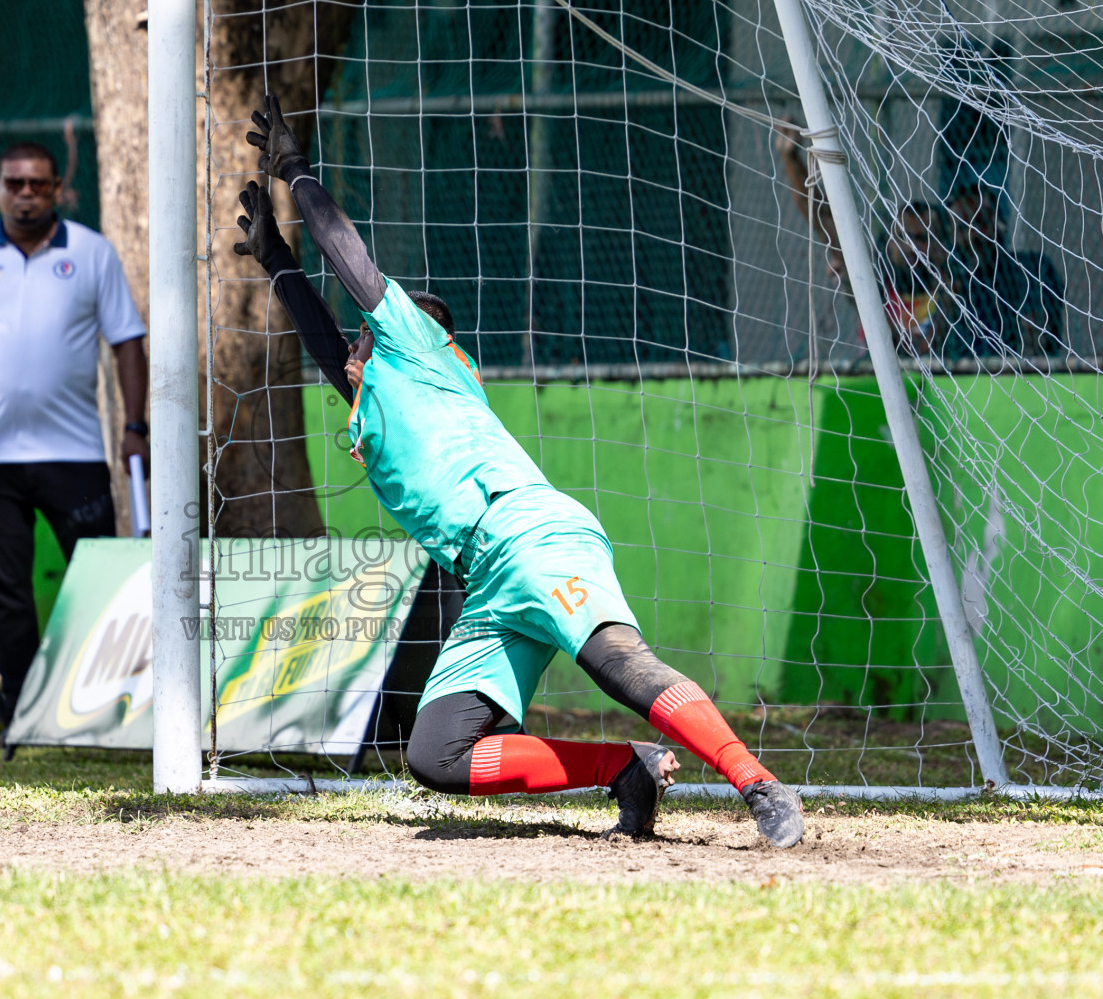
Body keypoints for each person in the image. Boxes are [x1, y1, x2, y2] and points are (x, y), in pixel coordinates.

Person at [241, 96, 804, 846]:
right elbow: (322, 338)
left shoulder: (421, 354)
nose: (364, 337)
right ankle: (625, 769)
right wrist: (276, 257)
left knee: (618, 666)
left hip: (530, 532)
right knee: (435, 751)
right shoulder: (377, 397)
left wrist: (297, 171)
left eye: (383, 324)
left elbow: (350, 258)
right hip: (488, 577)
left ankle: (758, 785)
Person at [0, 141, 149, 716]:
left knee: (98, 582)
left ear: (57, 191)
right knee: (6, 592)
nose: (26, 193)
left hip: (74, 455)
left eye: (39, 184)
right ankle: (20, 713)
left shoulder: (93, 254)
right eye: (15, 183)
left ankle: (108, 709)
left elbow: (127, 343)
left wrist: (135, 426)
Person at [775, 123, 958, 358]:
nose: (910, 247)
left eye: (921, 239)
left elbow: (919, 351)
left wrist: (947, 292)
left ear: (940, 245)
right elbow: (825, 218)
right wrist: (790, 159)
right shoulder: (871, 274)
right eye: (903, 237)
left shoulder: (954, 286)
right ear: (889, 240)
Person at [945, 183, 1064, 358]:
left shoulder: (1031, 269)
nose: (973, 235)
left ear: (999, 224)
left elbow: (1036, 339)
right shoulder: (950, 280)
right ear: (951, 234)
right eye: (963, 227)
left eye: (981, 223)